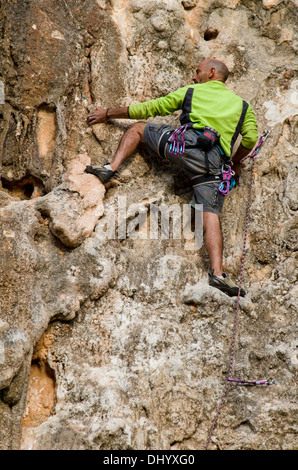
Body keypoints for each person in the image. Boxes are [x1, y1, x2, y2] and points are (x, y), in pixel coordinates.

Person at [85, 59, 258, 297]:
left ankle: (109, 168)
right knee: (211, 215)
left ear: (211, 73)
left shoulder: (192, 91)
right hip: (212, 164)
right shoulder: (243, 107)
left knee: (137, 128)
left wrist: (108, 113)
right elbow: (250, 139)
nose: (194, 77)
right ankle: (217, 275)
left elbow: (150, 108)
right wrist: (235, 162)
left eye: (197, 72)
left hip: (182, 146)